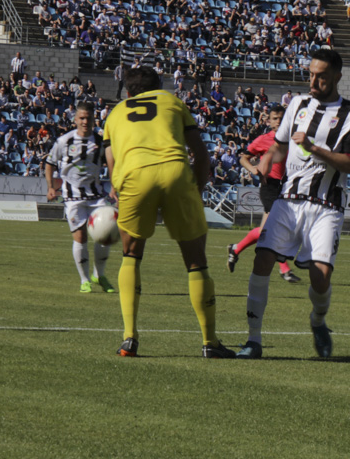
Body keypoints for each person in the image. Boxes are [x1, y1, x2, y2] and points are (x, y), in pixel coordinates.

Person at [235, 49, 350, 359]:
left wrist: (314, 149)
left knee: (320, 278)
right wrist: (267, 160)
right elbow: (280, 146)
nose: (314, 80)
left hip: (327, 205)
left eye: (321, 75)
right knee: (262, 260)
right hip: (289, 199)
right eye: (311, 74)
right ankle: (253, 340)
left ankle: (318, 321)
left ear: (336, 77)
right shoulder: (298, 104)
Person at [103, 66, 235, 359]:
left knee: (131, 255)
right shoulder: (173, 102)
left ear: (127, 92)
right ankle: (209, 342)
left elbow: (110, 158)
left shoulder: (115, 113)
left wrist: (120, 189)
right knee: (196, 262)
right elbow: (199, 152)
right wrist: (196, 189)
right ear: (160, 86)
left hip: (135, 174)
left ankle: (129, 338)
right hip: (175, 171)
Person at [45, 101, 115, 294]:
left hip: (96, 195)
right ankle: (85, 280)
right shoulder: (63, 141)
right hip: (72, 196)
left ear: (94, 120)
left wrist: (114, 187)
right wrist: (51, 187)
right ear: (75, 119)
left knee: (105, 234)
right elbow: (49, 164)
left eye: (89, 118)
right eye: (82, 118)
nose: (85, 121)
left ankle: (98, 275)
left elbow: (111, 164)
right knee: (81, 236)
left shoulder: (101, 143)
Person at [226, 105, 301, 283]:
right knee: (274, 229)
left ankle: (235, 249)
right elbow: (243, 157)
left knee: (268, 231)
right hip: (270, 186)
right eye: (275, 118)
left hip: (288, 187)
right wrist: (253, 169)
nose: (279, 122)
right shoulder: (264, 139)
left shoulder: (294, 139)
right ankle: (284, 269)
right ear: (268, 121)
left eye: (282, 118)